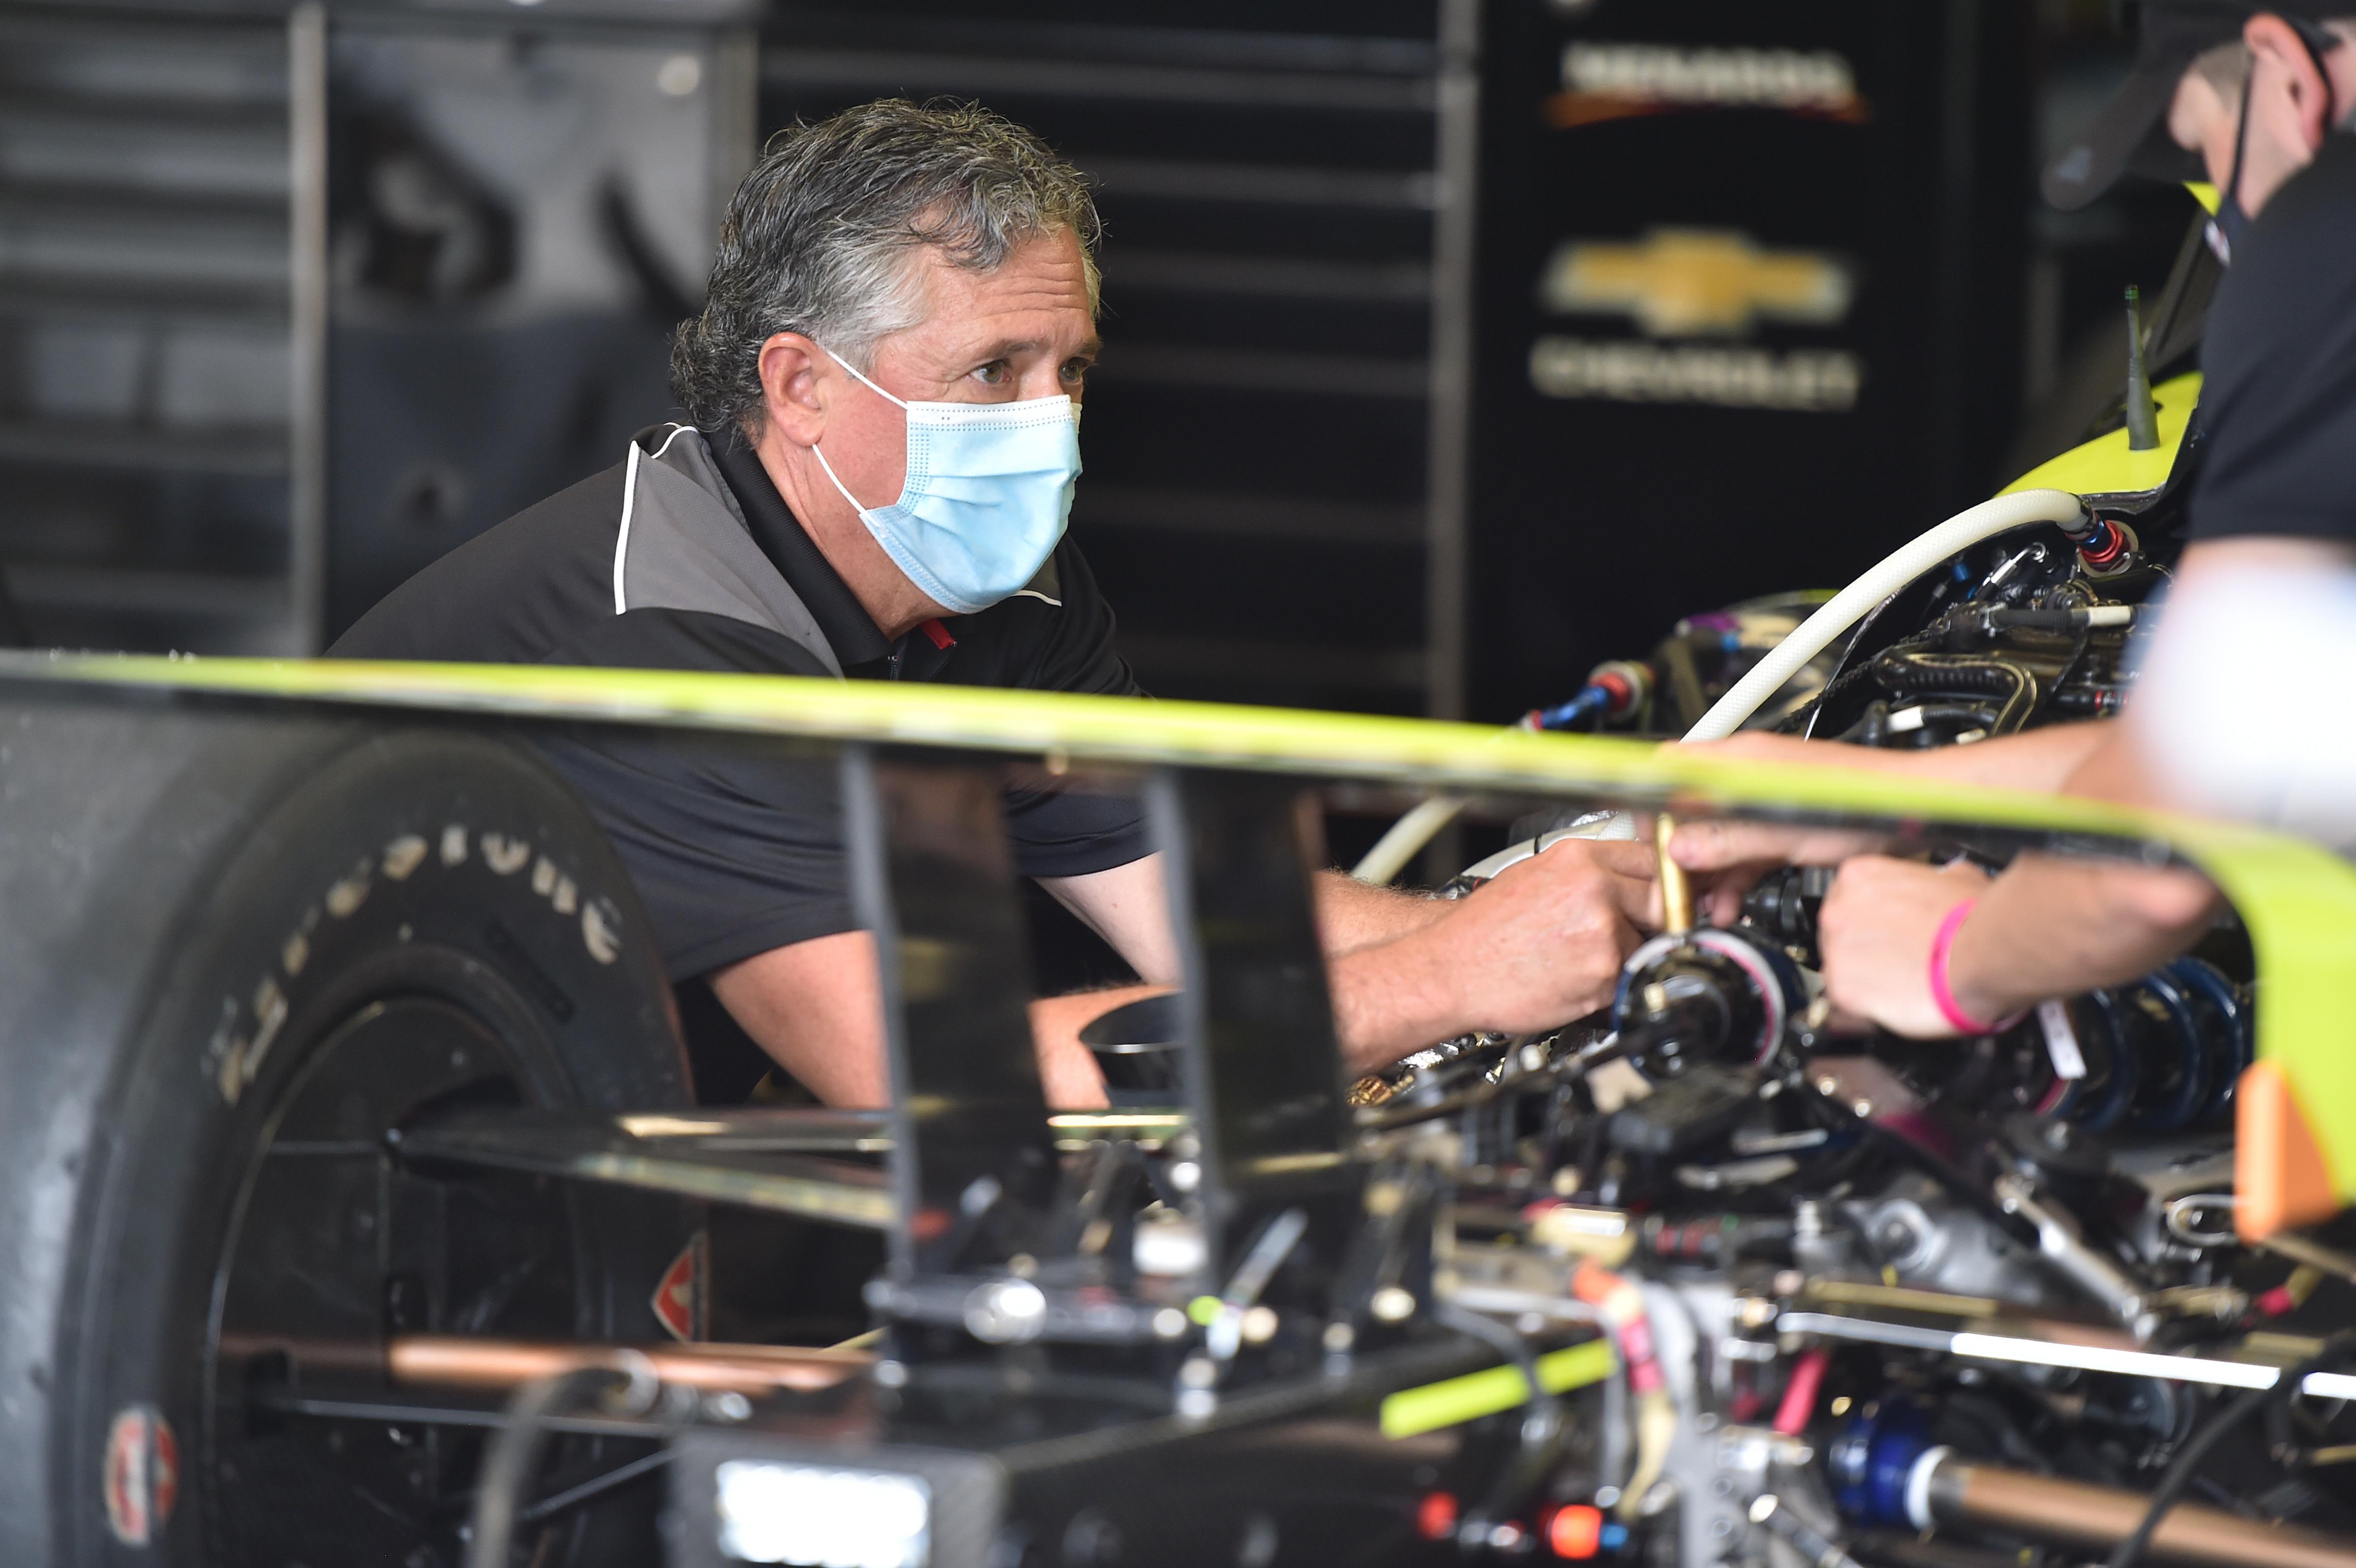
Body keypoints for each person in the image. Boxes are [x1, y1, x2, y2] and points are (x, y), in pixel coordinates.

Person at [332, 99, 1663, 1105]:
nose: (1054, 429)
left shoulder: (991, 580)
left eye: (1069, 369)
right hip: (347, 1212)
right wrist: (1453, 974)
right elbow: (916, 1069)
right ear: (800, 388)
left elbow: (1204, 921)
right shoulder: (669, 640)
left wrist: (1609, 916)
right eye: (992, 370)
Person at [1669, 2, 2356, 1037]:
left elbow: (2165, 847)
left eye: (2212, 152)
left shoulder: (2325, 230)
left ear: (2283, 73)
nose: (2224, 220)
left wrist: (1952, 962)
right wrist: (1892, 791)